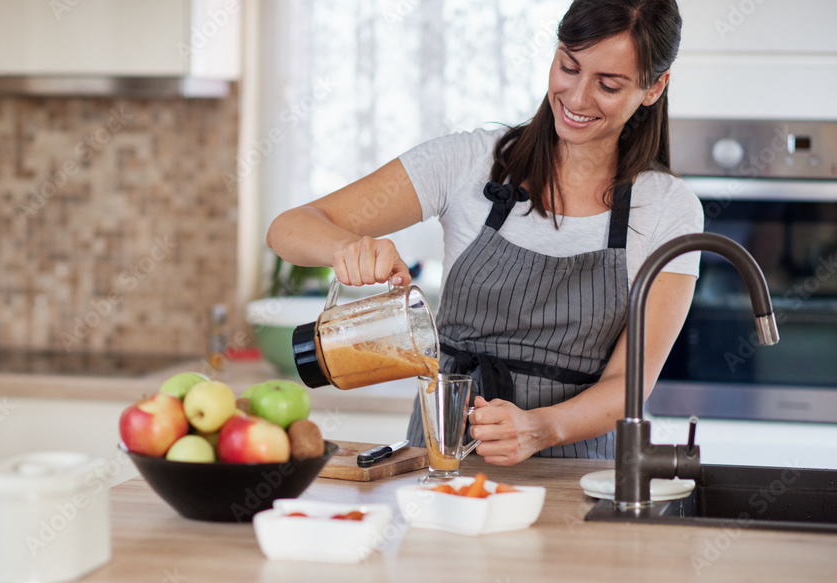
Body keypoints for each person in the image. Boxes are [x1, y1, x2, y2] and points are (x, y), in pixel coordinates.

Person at [267, 0, 703, 464]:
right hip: (443, 459)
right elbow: (287, 228)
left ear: (655, 87)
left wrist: (541, 428)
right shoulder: (468, 163)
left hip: (580, 474)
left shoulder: (668, 209)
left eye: (609, 85)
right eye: (568, 67)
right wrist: (347, 246)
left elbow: (629, 381)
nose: (576, 99)